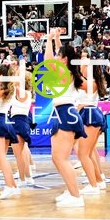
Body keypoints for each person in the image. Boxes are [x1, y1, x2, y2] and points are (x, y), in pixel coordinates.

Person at [43, 29, 86, 208]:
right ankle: (71, 190)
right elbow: (62, 53)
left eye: (58, 56)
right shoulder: (67, 70)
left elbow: (47, 60)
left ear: (64, 60)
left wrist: (49, 38)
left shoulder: (62, 72)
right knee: (57, 157)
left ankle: (76, 197)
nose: (55, 57)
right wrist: (58, 39)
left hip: (66, 113)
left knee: (61, 158)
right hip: (64, 113)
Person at [0, 63, 20, 200]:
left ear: (1, 75)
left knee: (0, 158)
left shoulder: (3, 89)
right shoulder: (7, 87)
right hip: (4, 120)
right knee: (2, 157)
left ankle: (9, 187)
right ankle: (13, 185)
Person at [76, 59, 107, 195]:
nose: (82, 67)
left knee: (83, 154)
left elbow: (75, 81)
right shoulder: (90, 81)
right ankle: (99, 181)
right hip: (88, 114)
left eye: (85, 66)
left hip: (90, 115)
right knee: (88, 153)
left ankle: (93, 185)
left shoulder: (92, 82)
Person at [8, 65, 34, 187]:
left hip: (18, 121)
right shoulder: (26, 92)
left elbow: (14, 82)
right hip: (20, 121)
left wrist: (18, 70)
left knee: (18, 155)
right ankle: (28, 177)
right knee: (22, 152)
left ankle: (22, 179)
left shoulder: (22, 92)